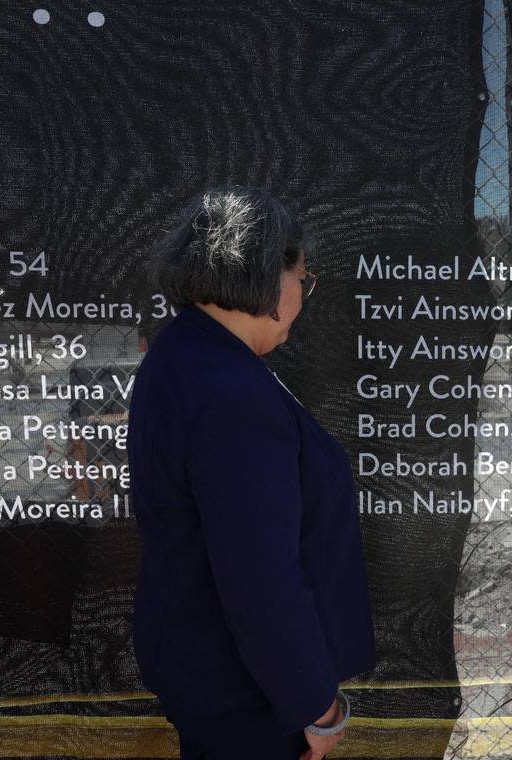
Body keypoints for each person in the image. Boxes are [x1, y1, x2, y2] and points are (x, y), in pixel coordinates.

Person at [128, 186, 375, 760]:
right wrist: (318, 706)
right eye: (302, 278)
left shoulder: (183, 355)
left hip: (207, 668)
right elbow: (260, 578)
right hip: (252, 694)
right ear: (268, 273)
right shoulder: (232, 393)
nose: (303, 295)